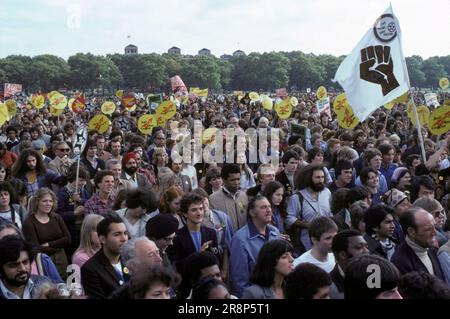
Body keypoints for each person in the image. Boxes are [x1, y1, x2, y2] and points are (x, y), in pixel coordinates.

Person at [230, 195, 281, 297]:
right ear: (252, 212)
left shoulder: (275, 232)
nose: (268, 210)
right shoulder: (240, 239)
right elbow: (240, 280)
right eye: (263, 207)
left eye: (269, 206)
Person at [22, 188, 71, 279]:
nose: (48, 204)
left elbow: (68, 239)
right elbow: (36, 248)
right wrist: (59, 244)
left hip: (61, 257)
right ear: (37, 202)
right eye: (45, 201)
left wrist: (49, 244)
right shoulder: (29, 223)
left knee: (64, 284)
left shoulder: (56, 217)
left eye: (51, 201)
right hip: (43, 260)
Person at [166, 193, 218, 278]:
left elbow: (216, 260)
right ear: (185, 214)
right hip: (188, 284)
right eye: (194, 210)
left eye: (201, 209)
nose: (199, 213)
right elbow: (175, 266)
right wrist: (198, 256)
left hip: (209, 282)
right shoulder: (176, 237)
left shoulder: (211, 233)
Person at [81, 213, 130, 299]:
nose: (124, 239)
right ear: (103, 239)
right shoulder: (90, 269)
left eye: (125, 233)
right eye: (117, 234)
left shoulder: (131, 259)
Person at [286, 164, 332, 253]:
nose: (321, 180)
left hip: (326, 242)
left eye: (322, 177)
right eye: (317, 177)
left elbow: (330, 212)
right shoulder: (297, 197)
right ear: (309, 178)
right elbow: (289, 218)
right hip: (306, 244)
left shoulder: (327, 192)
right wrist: (308, 225)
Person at [391, 207, 445, 281]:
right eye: (428, 229)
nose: (435, 233)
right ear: (411, 232)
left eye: (434, 227)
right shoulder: (400, 262)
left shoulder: (432, 249)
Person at [56, 165, 90, 256]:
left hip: (82, 229)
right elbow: (58, 215)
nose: (83, 183)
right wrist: (74, 213)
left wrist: (80, 200)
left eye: (85, 180)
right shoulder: (62, 193)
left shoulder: (83, 191)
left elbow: (90, 204)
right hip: (70, 230)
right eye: (81, 180)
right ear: (73, 179)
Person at [329, 229, 369, 299]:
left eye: (366, 247)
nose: (367, 251)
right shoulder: (328, 286)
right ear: (342, 255)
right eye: (359, 247)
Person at [209, 163, 248, 232]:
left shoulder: (244, 196)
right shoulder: (213, 199)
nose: (236, 182)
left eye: (238, 179)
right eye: (233, 180)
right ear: (224, 180)